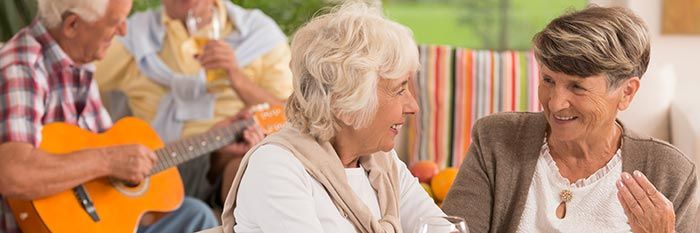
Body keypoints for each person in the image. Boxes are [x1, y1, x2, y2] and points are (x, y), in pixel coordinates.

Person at [441, 6, 698, 233]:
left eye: (577, 87)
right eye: (548, 80)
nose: (555, 103)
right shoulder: (496, 139)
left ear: (626, 92)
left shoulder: (671, 174)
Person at [218, 2, 445, 233]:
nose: (413, 106)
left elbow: (444, 229)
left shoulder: (382, 165)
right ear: (344, 104)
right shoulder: (278, 167)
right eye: (399, 90)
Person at [0, 0, 217, 232]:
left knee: (196, 215)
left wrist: (215, 136)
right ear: (72, 25)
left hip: (94, 220)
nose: (123, 31)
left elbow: (113, 156)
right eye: (116, 22)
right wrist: (108, 160)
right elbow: (14, 174)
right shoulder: (22, 68)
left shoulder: (78, 60)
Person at [94, 0, 291, 207]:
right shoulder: (133, 35)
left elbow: (290, 115)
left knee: (256, 171)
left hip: (228, 155)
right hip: (157, 163)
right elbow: (75, 69)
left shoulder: (259, 33)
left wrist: (236, 77)